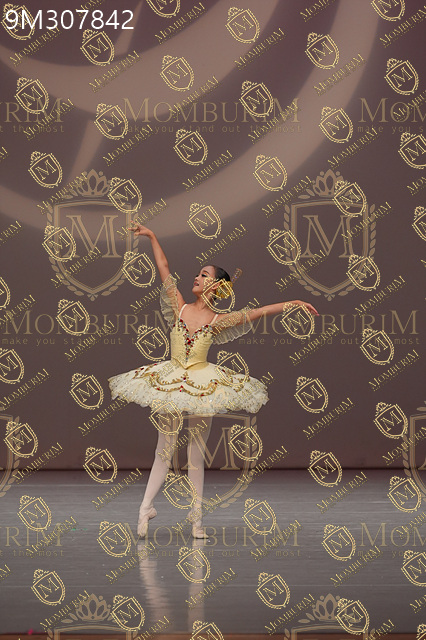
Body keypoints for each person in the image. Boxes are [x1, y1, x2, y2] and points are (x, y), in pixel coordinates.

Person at [108, 223, 319, 539]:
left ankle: (196, 520)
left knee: (196, 453)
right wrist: (152, 236)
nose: (197, 277)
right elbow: (164, 268)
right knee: (164, 448)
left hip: (203, 386)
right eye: (198, 273)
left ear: (217, 286)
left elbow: (259, 312)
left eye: (204, 275)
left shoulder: (220, 321)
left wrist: (295, 303)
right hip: (171, 381)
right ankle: (145, 508)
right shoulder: (179, 306)